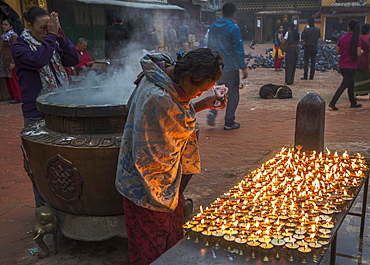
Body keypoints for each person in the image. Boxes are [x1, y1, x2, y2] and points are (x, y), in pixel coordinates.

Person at [115, 48, 224, 265]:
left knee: (171, 238)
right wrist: (198, 106)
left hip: (162, 183)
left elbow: (177, 111)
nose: (199, 94)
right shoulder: (159, 97)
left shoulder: (159, 75)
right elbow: (177, 125)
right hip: (149, 187)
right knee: (152, 247)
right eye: (200, 89)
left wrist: (202, 104)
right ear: (189, 77)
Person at [12, 6, 79, 206]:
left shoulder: (51, 42)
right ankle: (45, 211)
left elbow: (73, 59)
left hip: (60, 109)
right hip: (37, 114)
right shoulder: (20, 46)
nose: (45, 32)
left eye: (48, 27)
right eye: (42, 28)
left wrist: (60, 37)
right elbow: (39, 60)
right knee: (41, 167)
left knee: (65, 163)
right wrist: (51, 39)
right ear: (29, 26)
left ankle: (66, 205)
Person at [206, 2, 248, 130]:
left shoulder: (213, 27)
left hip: (217, 66)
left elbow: (209, 47)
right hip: (230, 67)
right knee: (233, 94)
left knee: (219, 91)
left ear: (222, 13)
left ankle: (213, 112)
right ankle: (229, 122)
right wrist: (243, 67)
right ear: (234, 14)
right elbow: (238, 49)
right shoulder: (233, 28)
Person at [329, 20, 362, 111]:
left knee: (350, 84)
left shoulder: (342, 38)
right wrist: (362, 52)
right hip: (351, 65)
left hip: (342, 65)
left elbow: (337, 52)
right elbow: (358, 53)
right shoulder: (356, 39)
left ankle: (353, 102)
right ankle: (333, 102)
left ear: (348, 27)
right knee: (344, 85)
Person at [1, 18, 21, 103]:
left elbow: (15, 49)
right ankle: (12, 95)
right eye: (3, 25)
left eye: (6, 25)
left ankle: (18, 96)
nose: (4, 26)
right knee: (8, 79)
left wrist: (13, 62)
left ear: (11, 26)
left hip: (11, 61)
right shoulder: (3, 36)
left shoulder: (13, 36)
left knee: (14, 79)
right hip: (5, 61)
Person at [354, 23, 370, 96]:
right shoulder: (369, 37)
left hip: (357, 61)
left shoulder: (358, 38)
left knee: (357, 77)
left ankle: (356, 93)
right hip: (367, 61)